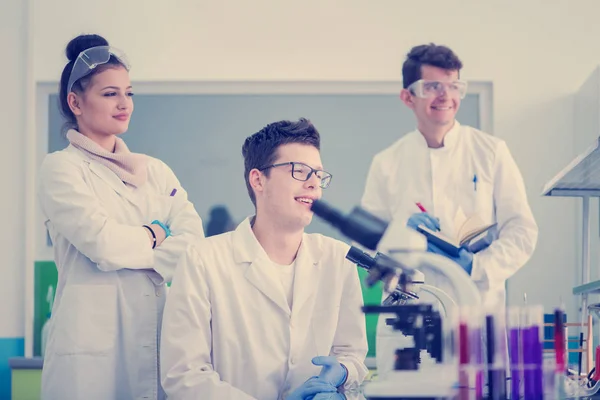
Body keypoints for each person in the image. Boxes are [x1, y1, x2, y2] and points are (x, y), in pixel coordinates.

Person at [37, 34, 205, 400]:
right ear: (75, 102)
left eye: (128, 93)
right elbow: (105, 245)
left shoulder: (156, 171)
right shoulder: (61, 169)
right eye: (110, 93)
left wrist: (139, 243)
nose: (124, 104)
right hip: (89, 356)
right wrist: (157, 232)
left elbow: (193, 246)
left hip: (156, 341)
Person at [160, 118, 368, 399]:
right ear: (258, 179)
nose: (313, 185)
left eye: (318, 175)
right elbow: (183, 376)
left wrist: (343, 372)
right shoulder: (203, 261)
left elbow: (352, 355)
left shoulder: (338, 258)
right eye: (299, 171)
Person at [360, 43, 538, 371]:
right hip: (412, 318)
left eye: (454, 85)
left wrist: (477, 267)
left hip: (477, 312)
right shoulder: (387, 163)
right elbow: (369, 251)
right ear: (407, 97)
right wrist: (401, 235)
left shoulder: (491, 152)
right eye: (432, 86)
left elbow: (522, 230)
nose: (446, 95)